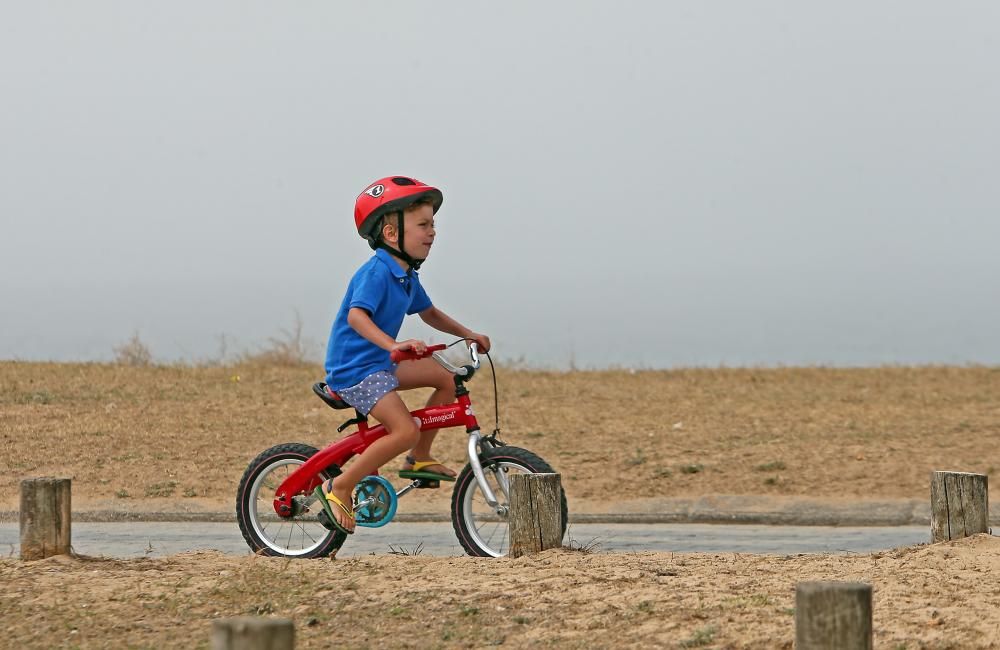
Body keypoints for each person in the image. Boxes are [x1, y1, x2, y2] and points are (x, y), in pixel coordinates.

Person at [315, 176, 490, 535]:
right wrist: (393, 346)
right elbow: (356, 316)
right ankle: (341, 485)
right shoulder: (378, 272)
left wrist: (467, 333)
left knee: (445, 376)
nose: (432, 232)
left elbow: (429, 313)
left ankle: (420, 458)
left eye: (433, 224)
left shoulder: (406, 276)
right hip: (354, 370)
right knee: (404, 429)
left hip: (379, 363)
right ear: (392, 234)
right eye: (423, 225)